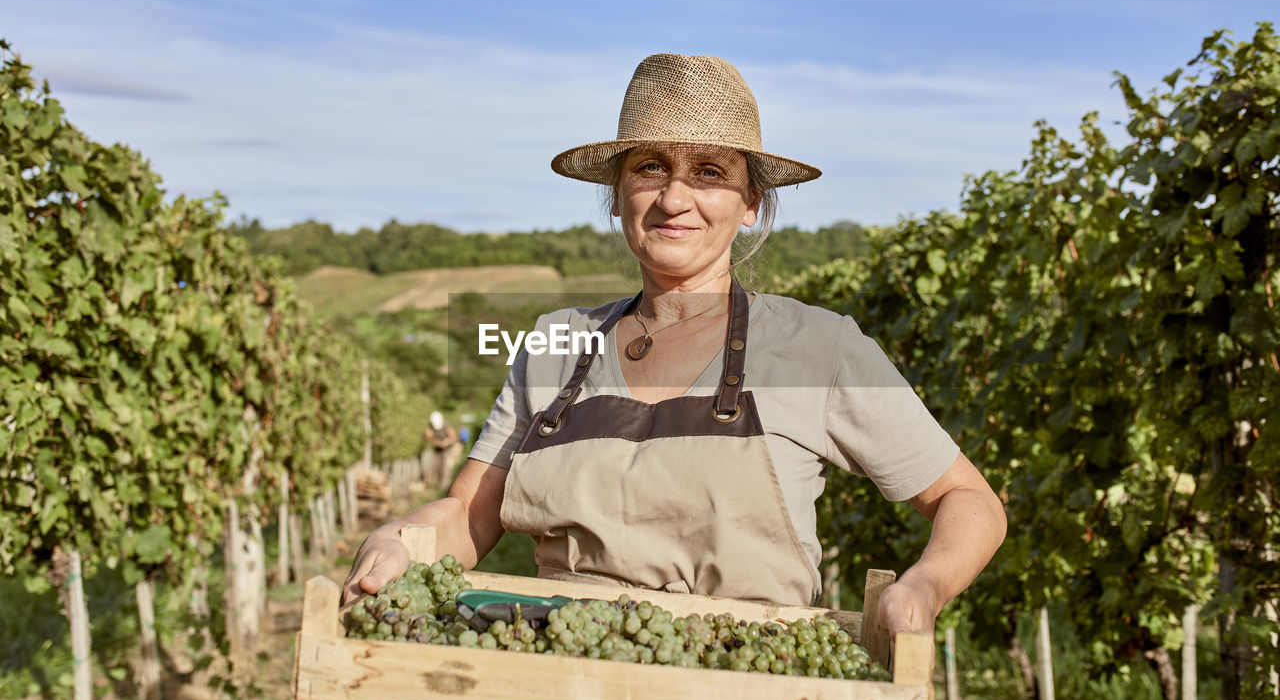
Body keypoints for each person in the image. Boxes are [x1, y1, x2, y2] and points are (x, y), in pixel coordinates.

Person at [345, 53, 1006, 635]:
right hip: (556, 696)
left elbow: (967, 499)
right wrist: (401, 541)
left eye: (709, 171)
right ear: (617, 195)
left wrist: (925, 585)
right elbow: (468, 512)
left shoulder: (818, 348)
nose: (674, 197)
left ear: (750, 201)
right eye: (650, 167)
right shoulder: (554, 344)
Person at [422, 411, 459, 490]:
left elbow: (453, 437)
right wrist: (436, 442)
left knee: (445, 466)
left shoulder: (446, 425)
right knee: (437, 465)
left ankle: (445, 485)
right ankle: (440, 482)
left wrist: (446, 442)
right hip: (438, 449)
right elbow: (428, 436)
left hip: (447, 448)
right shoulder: (431, 427)